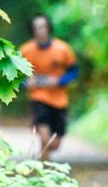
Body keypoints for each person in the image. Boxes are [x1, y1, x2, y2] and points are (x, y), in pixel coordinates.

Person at [20, 14, 79, 160]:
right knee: (45, 138)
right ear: (32, 30)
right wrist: (26, 83)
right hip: (38, 98)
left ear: (48, 28)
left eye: (42, 27)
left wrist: (60, 81)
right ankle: (44, 171)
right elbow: (15, 77)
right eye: (36, 28)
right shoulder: (25, 51)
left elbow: (74, 71)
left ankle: (44, 161)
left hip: (59, 100)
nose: (39, 31)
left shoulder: (63, 49)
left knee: (55, 144)